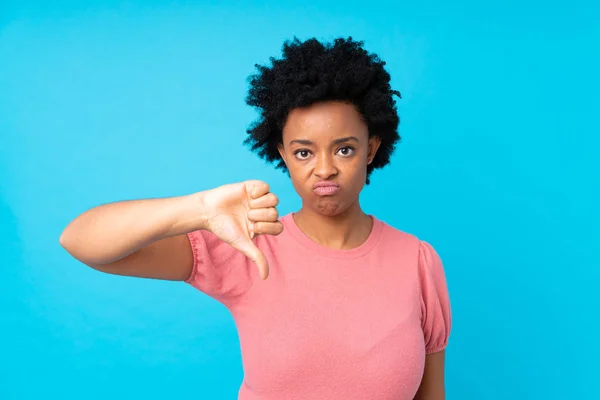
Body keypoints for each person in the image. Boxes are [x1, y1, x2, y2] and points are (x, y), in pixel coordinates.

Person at [60, 37, 452, 400]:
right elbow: (80, 241)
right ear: (282, 153)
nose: (325, 169)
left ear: (371, 149)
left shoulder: (417, 261)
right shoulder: (249, 244)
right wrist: (197, 208)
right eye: (304, 152)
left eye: (344, 149)